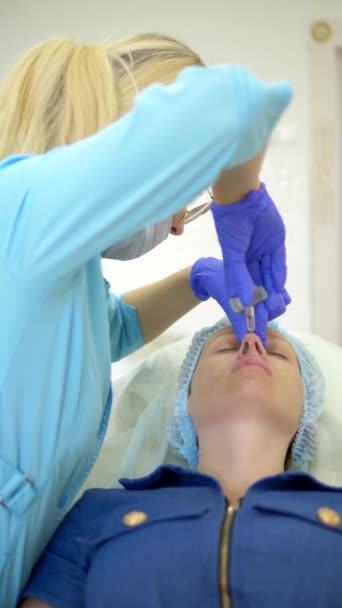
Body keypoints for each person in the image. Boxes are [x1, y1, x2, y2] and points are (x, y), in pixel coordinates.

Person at [0, 32, 292, 604]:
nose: (180, 224)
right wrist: (239, 199)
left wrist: (196, 278)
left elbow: (109, 331)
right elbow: (233, 103)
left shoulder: (59, 258)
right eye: (186, 189)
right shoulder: (21, 201)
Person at [20, 318, 337, 608]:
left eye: (278, 354)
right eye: (226, 347)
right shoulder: (96, 513)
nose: (251, 344)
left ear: (307, 418)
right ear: (184, 404)